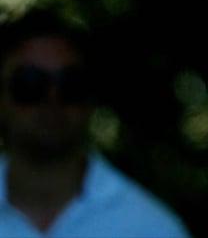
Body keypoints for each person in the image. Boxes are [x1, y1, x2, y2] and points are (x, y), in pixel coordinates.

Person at [0, 12, 191, 237]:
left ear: (91, 98)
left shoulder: (152, 228)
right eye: (30, 83)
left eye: (71, 84)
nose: (52, 98)